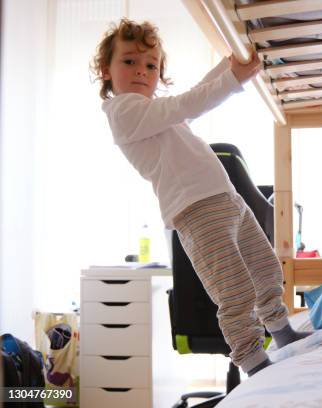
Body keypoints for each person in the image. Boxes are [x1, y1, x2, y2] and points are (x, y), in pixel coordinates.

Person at [92, 18, 310, 376]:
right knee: (235, 289)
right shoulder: (125, 112)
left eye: (151, 65)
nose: (141, 72)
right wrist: (232, 77)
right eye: (129, 61)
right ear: (106, 69)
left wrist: (228, 65)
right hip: (197, 211)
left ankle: (281, 331)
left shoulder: (156, 115)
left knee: (266, 268)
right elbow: (188, 103)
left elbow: (193, 96)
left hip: (227, 200)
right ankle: (252, 359)